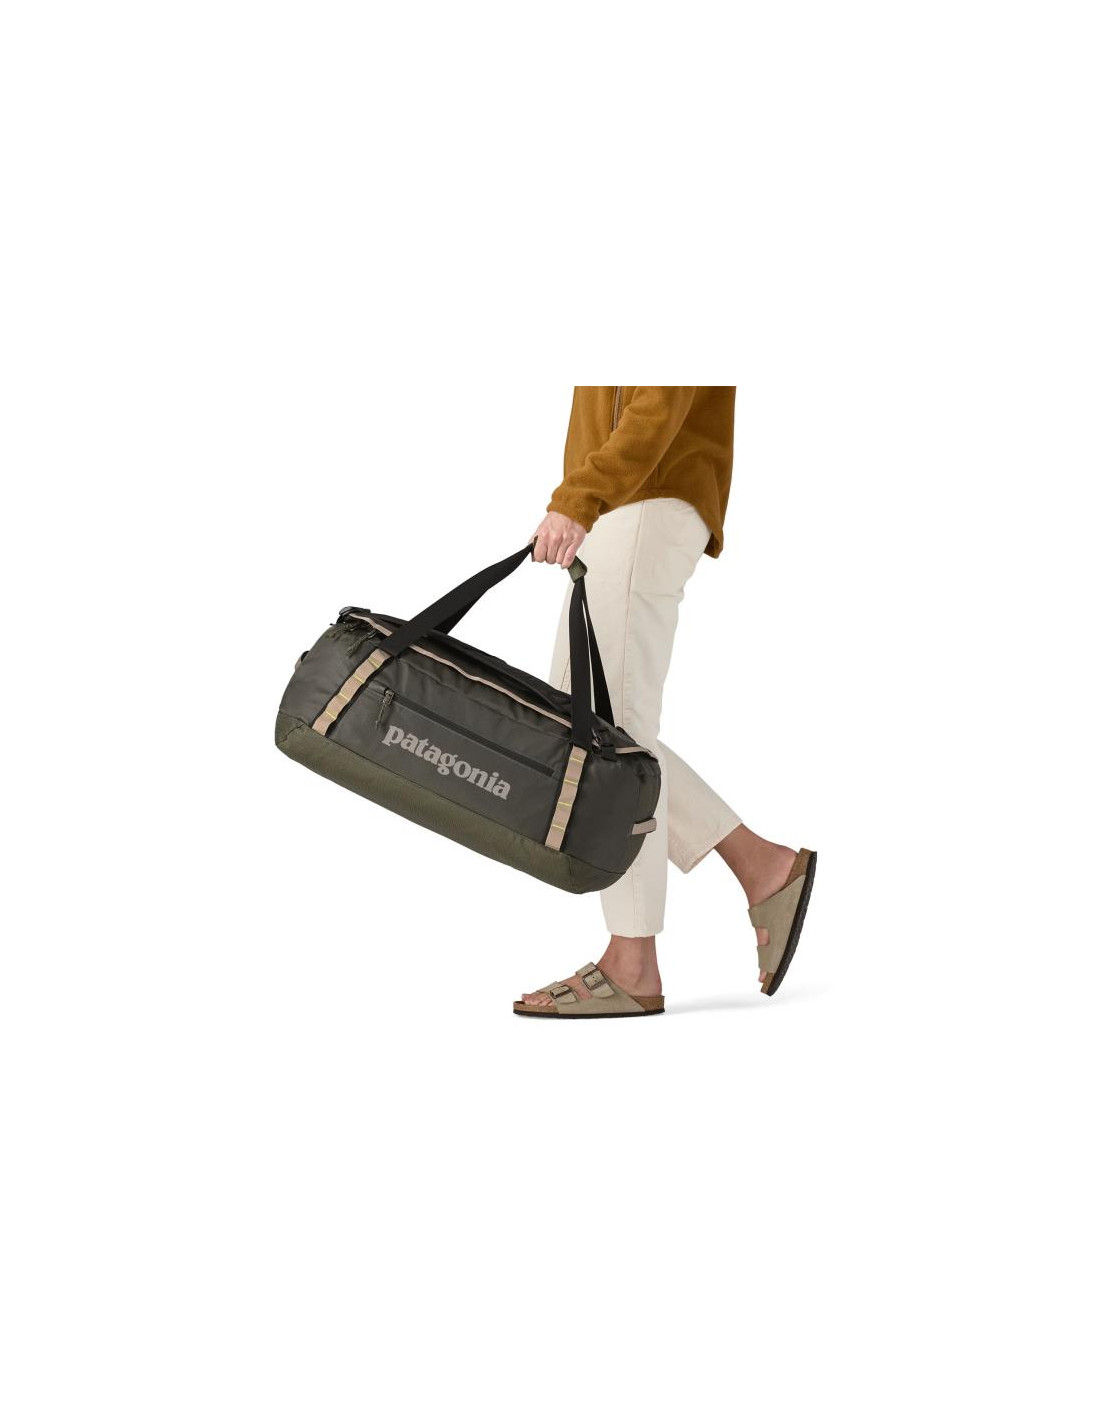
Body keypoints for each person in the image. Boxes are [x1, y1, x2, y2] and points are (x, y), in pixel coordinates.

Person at [514, 387, 816, 1019]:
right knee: (590, 727)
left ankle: (632, 960)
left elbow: (659, 400)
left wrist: (578, 497)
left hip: (643, 494)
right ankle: (762, 866)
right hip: (627, 500)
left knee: (610, 744)